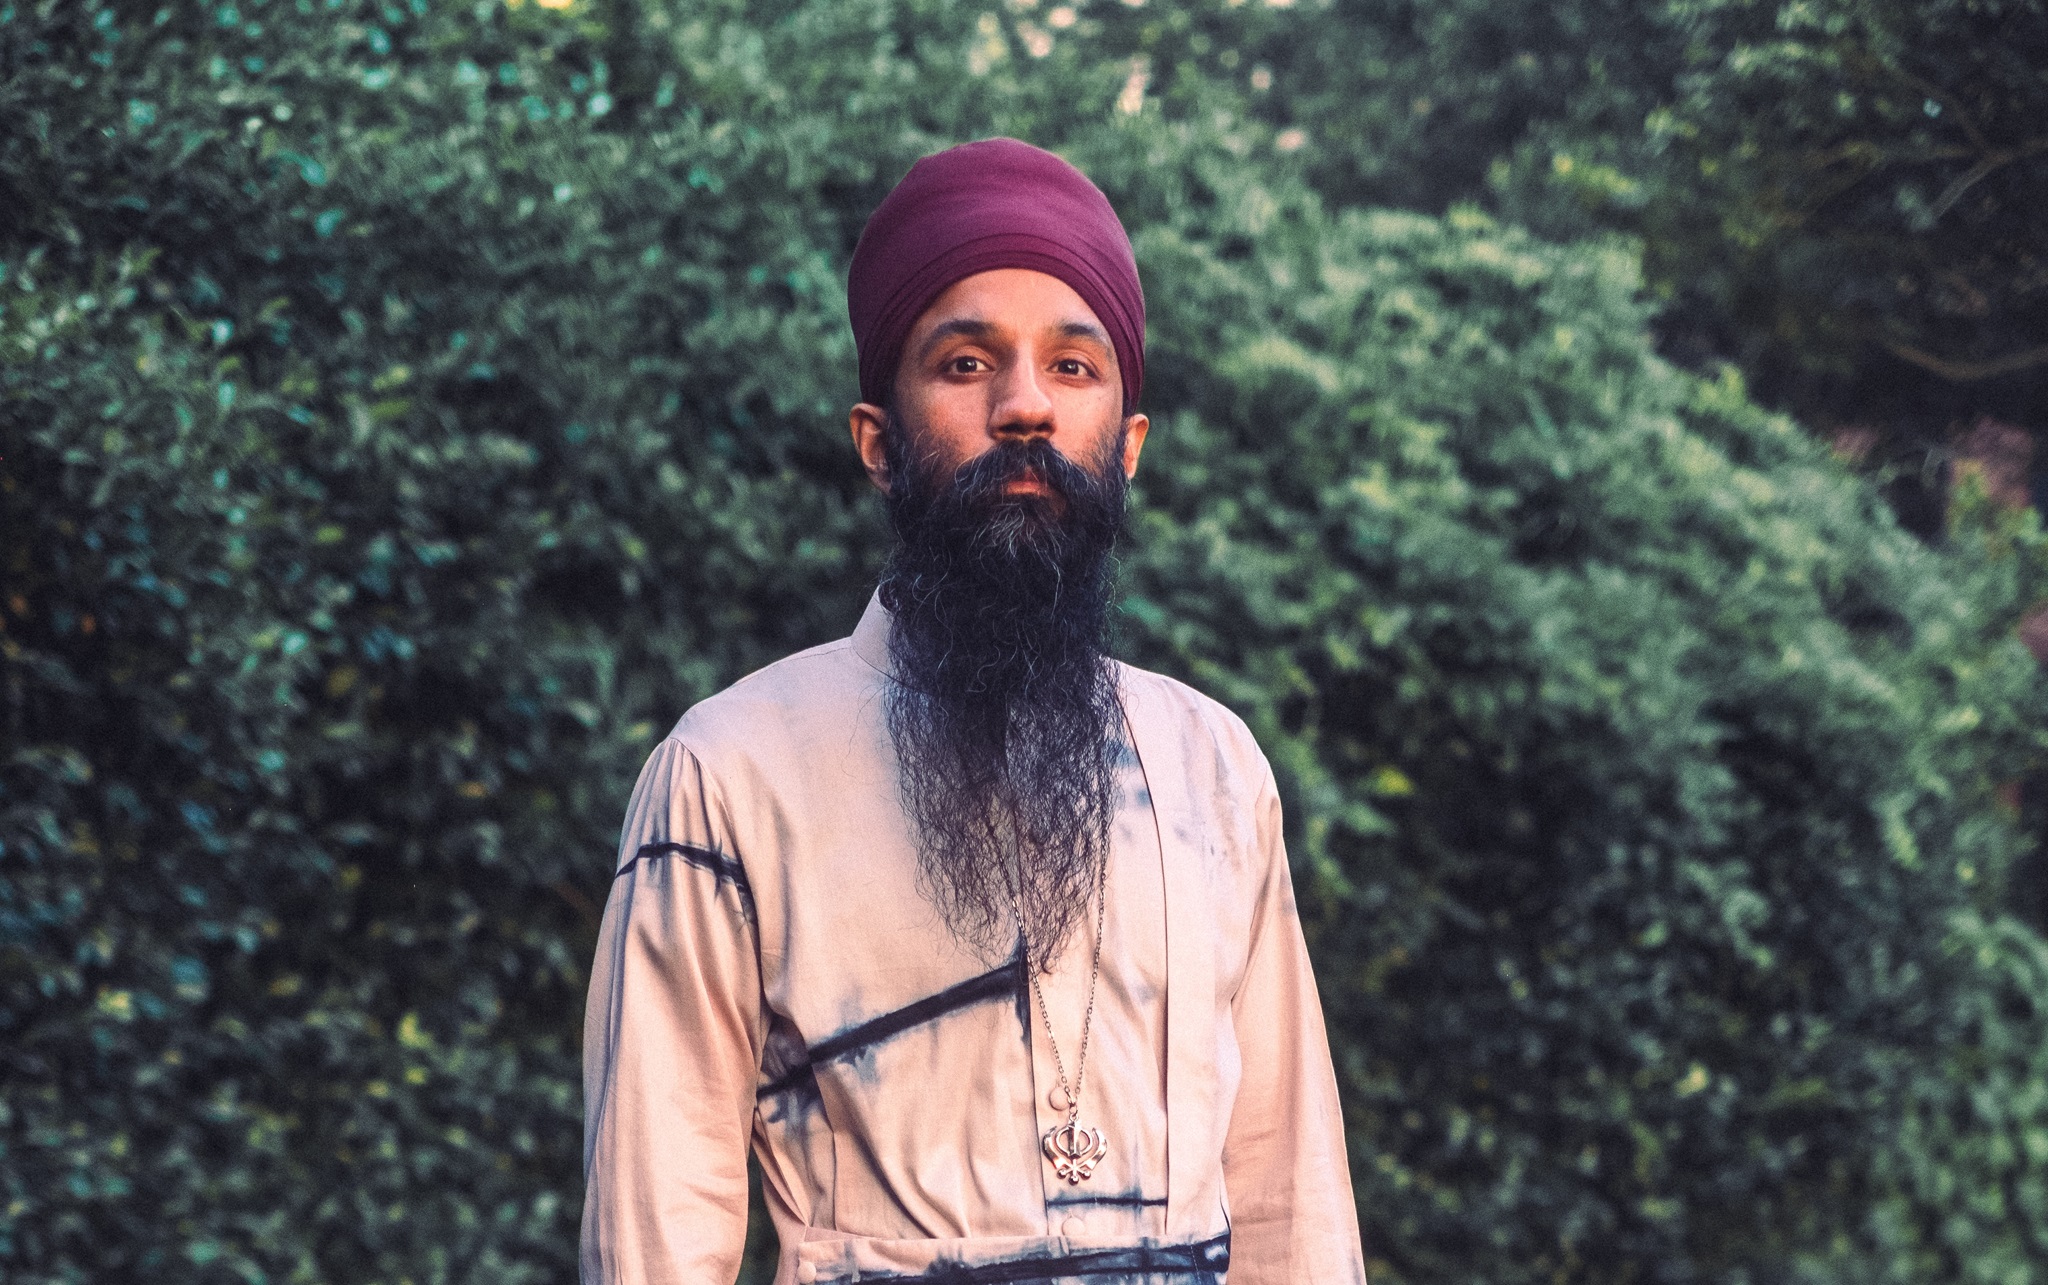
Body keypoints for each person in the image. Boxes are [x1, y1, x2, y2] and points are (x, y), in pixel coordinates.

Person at [580, 137, 1366, 1285]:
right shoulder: (727, 775)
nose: (1023, 409)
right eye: (963, 364)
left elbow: (1291, 1198)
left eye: (1072, 368)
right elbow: (654, 1231)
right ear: (877, 445)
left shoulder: (1213, 768)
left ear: (1127, 447)